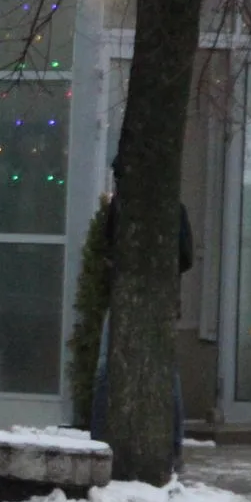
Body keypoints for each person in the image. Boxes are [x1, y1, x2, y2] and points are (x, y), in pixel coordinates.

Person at [90, 181, 194, 466]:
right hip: (160, 297)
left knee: (106, 368)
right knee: (166, 372)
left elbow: (106, 248)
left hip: (129, 297)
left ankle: (99, 443)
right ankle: (173, 448)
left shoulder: (121, 208)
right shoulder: (173, 209)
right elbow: (186, 256)